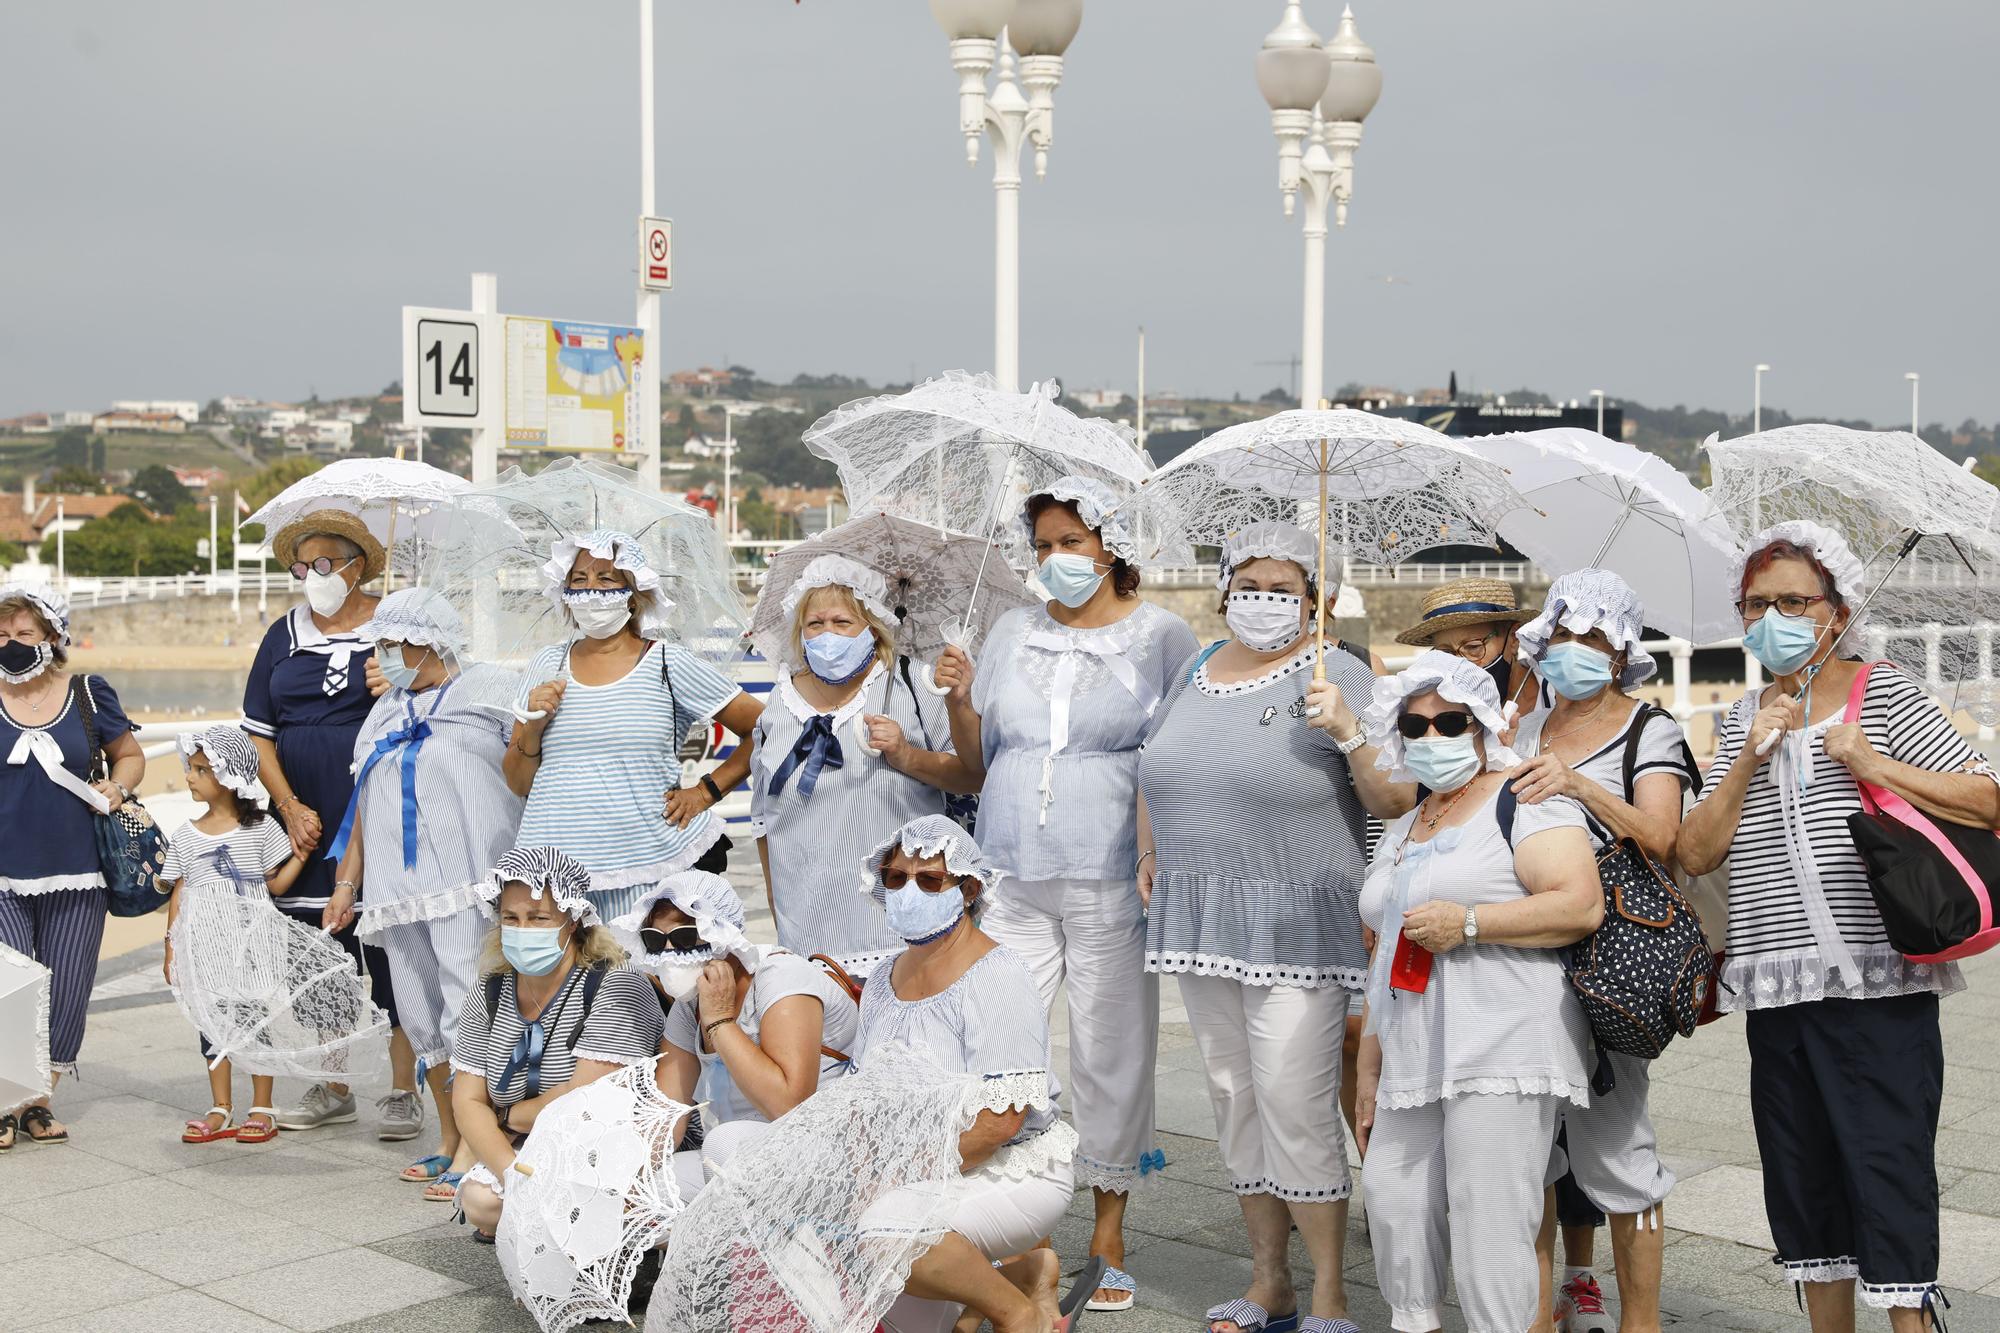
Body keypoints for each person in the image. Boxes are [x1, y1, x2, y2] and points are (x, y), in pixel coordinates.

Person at [1677, 521, 1997, 1332]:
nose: (1772, 616)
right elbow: (1696, 847)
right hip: (1775, 984)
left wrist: (1873, 763)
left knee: (1887, 1168)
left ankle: (1912, 1324)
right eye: (1757, 604)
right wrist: (1749, 754)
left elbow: (1988, 798)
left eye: (1793, 599)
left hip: (1875, 977)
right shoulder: (1744, 713)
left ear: (1835, 610)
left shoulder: (1879, 691)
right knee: (1802, 1178)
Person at [929, 476, 1199, 1311]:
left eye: (1070, 542)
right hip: (1009, 867)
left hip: (1112, 867)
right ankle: (1024, 1218)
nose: (1055, 558)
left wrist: (1166, 854)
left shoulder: (1163, 635)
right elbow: (975, 762)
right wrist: (956, 698)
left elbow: (1178, 755)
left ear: (1110, 546)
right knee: (1001, 1049)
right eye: (1043, 544)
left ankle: (1108, 1227)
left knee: (1110, 1046)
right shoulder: (1010, 626)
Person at [1136, 523, 1413, 1333]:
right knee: (1232, 1098)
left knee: (1293, 1099)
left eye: (1282, 586)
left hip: (1298, 915)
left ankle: (1329, 1291)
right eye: (1249, 583)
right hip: (1198, 912)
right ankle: (1269, 1282)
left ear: (1314, 597)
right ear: (1224, 589)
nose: (1263, 599)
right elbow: (1155, 764)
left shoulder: (1343, 672)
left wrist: (1350, 731)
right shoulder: (1194, 665)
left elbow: (1396, 799)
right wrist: (1152, 847)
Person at [1355, 651, 1605, 1333]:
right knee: (1393, 1198)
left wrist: (1469, 923)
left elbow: (1580, 904)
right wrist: (1369, 1066)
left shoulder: (1522, 797)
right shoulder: (1406, 825)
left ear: (1483, 725)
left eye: (1449, 721)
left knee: (1490, 1218)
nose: (1430, 737)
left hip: (1503, 1038)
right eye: (1414, 724)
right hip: (1410, 1044)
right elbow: (1383, 956)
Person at [1510, 570, 1699, 1333]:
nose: (1576, 651)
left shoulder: (1651, 729)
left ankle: (1641, 1321)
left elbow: (1666, 839)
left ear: (1622, 651)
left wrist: (1579, 787)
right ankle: (1534, 1312)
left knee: (1619, 1145)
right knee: (1529, 1150)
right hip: (1521, 952)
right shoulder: (1521, 728)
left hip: (1610, 960)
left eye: (1594, 638)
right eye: (1563, 636)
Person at [324, 588, 526, 1201]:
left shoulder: (485, 690)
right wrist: (346, 883)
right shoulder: (382, 711)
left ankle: (479, 1142)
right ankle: (446, 1136)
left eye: (391, 643)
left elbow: (528, 763)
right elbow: (363, 804)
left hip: (463, 879)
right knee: (416, 1012)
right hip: (394, 888)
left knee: (469, 1006)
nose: (382, 656)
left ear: (429, 639)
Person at [861, 815, 1087, 1333]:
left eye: (928, 879)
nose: (908, 889)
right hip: (920, 1167)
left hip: (1011, 1167)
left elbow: (999, 1124)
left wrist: (895, 1173)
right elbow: (865, 1092)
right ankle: (1017, 1274)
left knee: (887, 1232)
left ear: (969, 888)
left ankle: (1018, 1314)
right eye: (896, 877)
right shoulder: (880, 978)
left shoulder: (996, 974)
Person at [244, 510, 416, 1139]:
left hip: (381, 804)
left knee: (391, 948)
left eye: (323, 562)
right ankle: (335, 1081)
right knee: (319, 955)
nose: (311, 574)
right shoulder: (281, 634)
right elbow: (258, 732)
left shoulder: (398, 626)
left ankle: (404, 1088)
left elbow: (441, 696)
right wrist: (288, 806)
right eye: (300, 564)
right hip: (303, 812)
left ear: (357, 565)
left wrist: (399, 679)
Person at [505, 530, 763, 923]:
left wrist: (705, 792)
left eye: (605, 579)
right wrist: (533, 728)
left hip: (646, 863)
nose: (590, 590)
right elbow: (519, 782)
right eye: (579, 580)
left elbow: (764, 727)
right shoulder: (546, 664)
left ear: (634, 591)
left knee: (642, 983)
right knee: (564, 984)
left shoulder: (667, 663)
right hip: (554, 873)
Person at [749, 554, 969, 978]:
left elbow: (969, 776)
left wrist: (906, 754)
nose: (827, 634)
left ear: (874, 627)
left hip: (897, 921)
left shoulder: (914, 684)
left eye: (842, 623)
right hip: (806, 925)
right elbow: (763, 817)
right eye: (814, 624)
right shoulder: (779, 702)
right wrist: (776, 902)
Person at [451, 846, 665, 1242]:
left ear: (574, 920)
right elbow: (466, 1099)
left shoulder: (614, 985)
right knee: (481, 1201)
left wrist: (505, 1116)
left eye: (539, 918)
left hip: (605, 1141)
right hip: (528, 1143)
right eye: (510, 918)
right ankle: (536, 1218)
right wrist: (512, 1174)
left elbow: (584, 1101)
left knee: (572, 1201)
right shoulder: (491, 989)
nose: (522, 929)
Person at [0, 583, 145, 1149]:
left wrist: (118, 787)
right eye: (2, 635)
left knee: (67, 988)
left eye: (23, 634)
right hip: (4, 871)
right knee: (10, 984)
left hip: (80, 868)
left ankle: (37, 1102)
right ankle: (6, 1100)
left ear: (53, 637)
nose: (10, 644)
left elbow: (129, 756)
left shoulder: (87, 693)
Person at [613, 869, 858, 1196]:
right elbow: (663, 1122)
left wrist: (720, 1023)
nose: (670, 952)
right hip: (734, 1165)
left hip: (826, 1152)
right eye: (656, 941)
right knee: (645, 1191)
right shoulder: (688, 1008)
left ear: (721, 934)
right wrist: (615, 1176)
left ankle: (745, 1247)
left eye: (685, 937)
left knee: (723, 1144)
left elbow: (790, 1106)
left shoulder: (781, 977)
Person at [162, 726, 308, 1145]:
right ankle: (220, 1105)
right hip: (205, 944)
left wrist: (300, 856)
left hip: (253, 943)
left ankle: (262, 1105)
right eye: (190, 768)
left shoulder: (260, 829)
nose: (190, 776)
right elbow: (180, 891)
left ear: (229, 777)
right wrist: (171, 947)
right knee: (211, 1024)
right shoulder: (185, 836)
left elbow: (276, 885)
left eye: (201, 770)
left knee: (255, 1020)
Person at [1393, 577, 1540, 722]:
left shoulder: (1553, 697)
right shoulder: (1432, 710)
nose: (1459, 663)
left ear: (1514, 638)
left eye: (1473, 647)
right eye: (1446, 653)